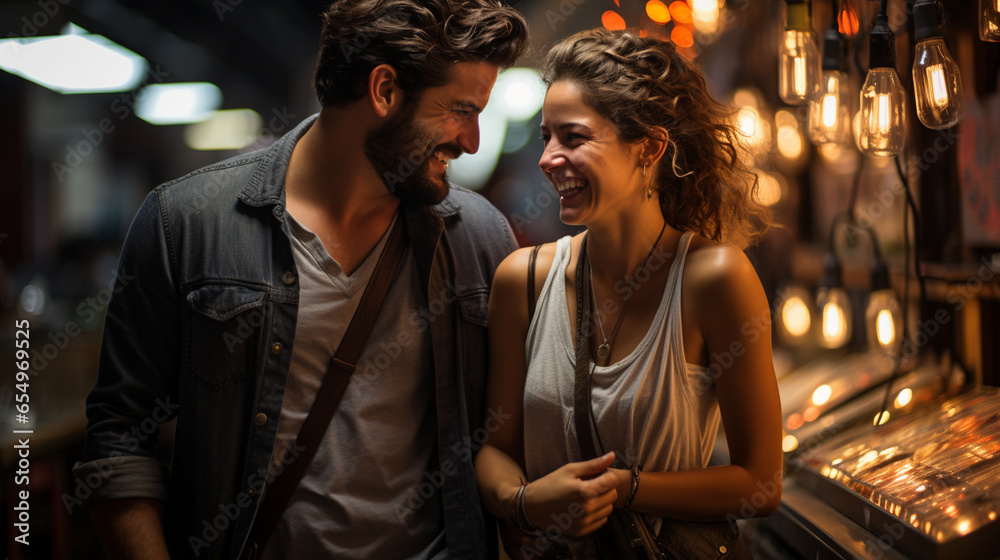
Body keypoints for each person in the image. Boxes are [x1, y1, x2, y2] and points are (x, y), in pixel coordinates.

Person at [72, 1, 528, 559]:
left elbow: (504, 437)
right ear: (384, 90)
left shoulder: (480, 238)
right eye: (461, 109)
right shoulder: (185, 223)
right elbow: (120, 439)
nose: (474, 141)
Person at [475, 28, 782, 558]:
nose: (548, 158)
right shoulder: (521, 280)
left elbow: (761, 483)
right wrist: (524, 501)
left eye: (572, 137)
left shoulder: (715, 278)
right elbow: (494, 450)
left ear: (649, 147)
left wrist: (626, 489)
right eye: (546, 136)